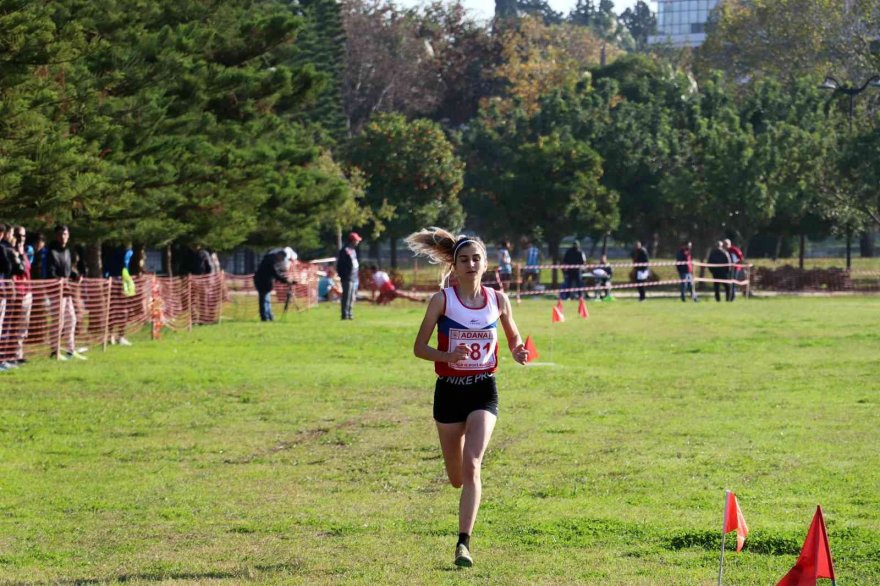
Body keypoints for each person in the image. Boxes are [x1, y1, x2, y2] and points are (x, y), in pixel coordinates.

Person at [405, 227, 529, 568]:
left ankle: (463, 543)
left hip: (483, 389)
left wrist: (518, 351)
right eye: (464, 260)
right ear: (455, 267)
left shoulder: (498, 300)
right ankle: (460, 490)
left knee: (473, 464)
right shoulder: (442, 300)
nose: (471, 264)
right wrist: (448, 356)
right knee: (456, 477)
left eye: (476, 258)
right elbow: (419, 348)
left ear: (485, 264)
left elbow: (514, 337)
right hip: (448, 393)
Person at [44, 225, 86, 360]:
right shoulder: (51, 252)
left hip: (67, 290)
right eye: (61, 234)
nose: (63, 237)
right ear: (56, 236)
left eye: (65, 234)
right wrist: (59, 280)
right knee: (58, 321)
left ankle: (70, 349)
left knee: (71, 319)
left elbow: (68, 269)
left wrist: (75, 275)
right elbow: (50, 272)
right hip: (56, 291)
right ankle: (54, 351)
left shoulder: (67, 251)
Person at [253, 247, 296, 321]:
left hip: (266, 282)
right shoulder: (271, 261)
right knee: (264, 300)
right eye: (281, 259)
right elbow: (275, 273)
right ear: (279, 255)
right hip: (261, 281)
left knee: (267, 299)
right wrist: (286, 280)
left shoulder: (272, 260)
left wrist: (285, 279)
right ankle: (264, 317)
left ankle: (269, 316)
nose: (281, 260)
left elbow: (278, 272)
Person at [336, 232, 362, 320]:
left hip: (354, 277)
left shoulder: (353, 250)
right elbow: (340, 265)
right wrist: (344, 275)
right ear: (352, 240)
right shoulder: (345, 251)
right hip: (347, 277)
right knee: (346, 296)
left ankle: (350, 313)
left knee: (352, 296)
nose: (358, 242)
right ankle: (345, 314)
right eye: (357, 240)